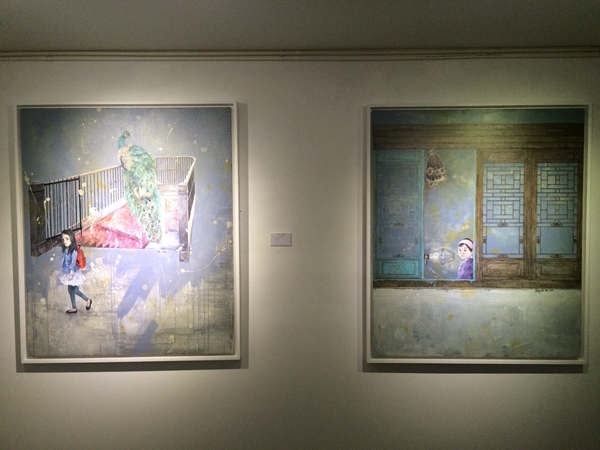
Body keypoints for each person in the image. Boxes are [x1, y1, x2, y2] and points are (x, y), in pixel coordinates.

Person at [59, 229, 92, 314]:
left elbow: (73, 263)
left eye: (67, 239)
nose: (64, 241)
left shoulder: (74, 251)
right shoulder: (66, 249)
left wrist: (71, 274)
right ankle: (74, 308)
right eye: (63, 239)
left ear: (71, 239)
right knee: (70, 290)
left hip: (74, 273)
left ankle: (88, 300)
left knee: (75, 290)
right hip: (68, 272)